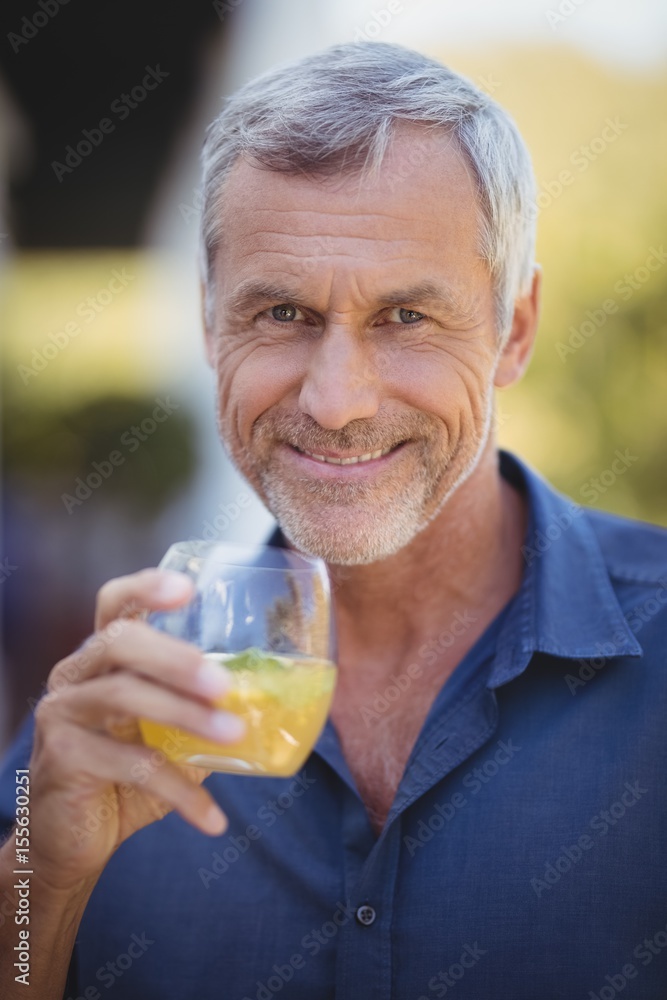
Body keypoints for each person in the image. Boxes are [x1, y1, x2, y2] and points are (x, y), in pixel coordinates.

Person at [1, 40, 667, 1000]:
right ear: (208, 325)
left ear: (512, 331)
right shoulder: (119, 694)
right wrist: (40, 883)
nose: (337, 401)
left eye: (404, 319)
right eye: (280, 313)